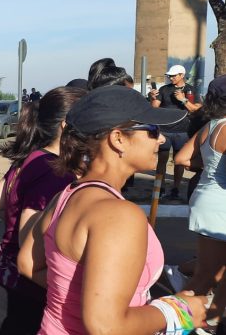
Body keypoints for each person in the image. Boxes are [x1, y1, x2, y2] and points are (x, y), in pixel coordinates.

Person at [17, 85, 208, 334]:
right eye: (152, 130)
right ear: (118, 139)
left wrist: (82, 300)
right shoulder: (120, 215)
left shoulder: (63, 197)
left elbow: (27, 264)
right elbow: (106, 326)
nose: (161, 139)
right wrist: (179, 311)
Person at [0, 87, 85, 334]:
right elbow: (29, 251)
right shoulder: (55, 172)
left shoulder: (34, 157)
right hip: (22, 295)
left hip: (1, 280)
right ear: (66, 125)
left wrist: (15, 222)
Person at [175, 75, 226, 328]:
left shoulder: (212, 124)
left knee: (217, 273)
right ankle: (173, 323)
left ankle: (211, 322)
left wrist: (211, 168)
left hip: (208, 199)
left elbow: (182, 158)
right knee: (205, 277)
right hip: (220, 207)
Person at [149, 64, 202, 200]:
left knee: (178, 161)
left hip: (183, 131)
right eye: (170, 75)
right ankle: (159, 188)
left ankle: (176, 189)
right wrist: (152, 97)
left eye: (174, 75)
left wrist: (183, 99)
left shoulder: (191, 90)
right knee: (162, 160)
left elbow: (196, 110)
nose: (171, 78)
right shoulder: (164, 89)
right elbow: (154, 108)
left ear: (182, 75)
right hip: (165, 130)